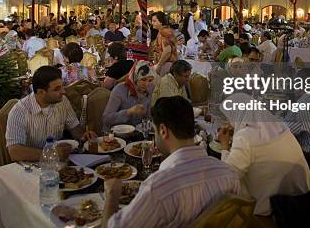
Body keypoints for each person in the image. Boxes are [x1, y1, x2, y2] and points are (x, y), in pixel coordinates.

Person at [101, 96, 241, 227]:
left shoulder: (158, 189)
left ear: (163, 130)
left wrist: (112, 195)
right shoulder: (229, 174)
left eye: (155, 131)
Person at [218, 93, 310, 216]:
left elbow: (228, 177)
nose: (230, 122)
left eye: (229, 116)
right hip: (303, 198)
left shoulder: (244, 137)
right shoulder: (280, 127)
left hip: (274, 208)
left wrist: (224, 146)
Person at [5, 66, 97, 161]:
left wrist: (84, 136)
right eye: (57, 89)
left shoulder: (62, 102)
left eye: (62, 86)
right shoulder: (20, 111)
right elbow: (14, 152)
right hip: (32, 167)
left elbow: (74, 127)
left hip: (60, 163)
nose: (63, 91)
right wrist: (51, 154)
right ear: (41, 92)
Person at [103, 61, 156, 130]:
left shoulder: (151, 88)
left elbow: (149, 118)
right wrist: (129, 112)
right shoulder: (120, 90)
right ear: (135, 77)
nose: (147, 84)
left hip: (139, 134)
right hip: (117, 135)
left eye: (150, 80)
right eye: (143, 79)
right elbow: (106, 119)